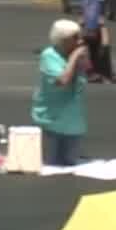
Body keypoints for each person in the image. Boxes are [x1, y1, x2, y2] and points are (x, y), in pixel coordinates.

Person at [31, 20, 88, 167]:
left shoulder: (76, 54)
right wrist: (74, 58)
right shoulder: (49, 55)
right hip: (52, 122)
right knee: (51, 166)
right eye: (75, 38)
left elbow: (86, 72)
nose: (80, 41)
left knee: (71, 165)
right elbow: (62, 81)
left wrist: (81, 60)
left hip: (73, 123)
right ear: (63, 40)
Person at [80, 0, 116, 84]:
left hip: (96, 39)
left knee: (104, 48)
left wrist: (104, 44)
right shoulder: (85, 20)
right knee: (82, 50)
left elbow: (104, 37)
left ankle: (107, 73)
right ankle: (90, 73)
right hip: (86, 38)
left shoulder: (98, 21)